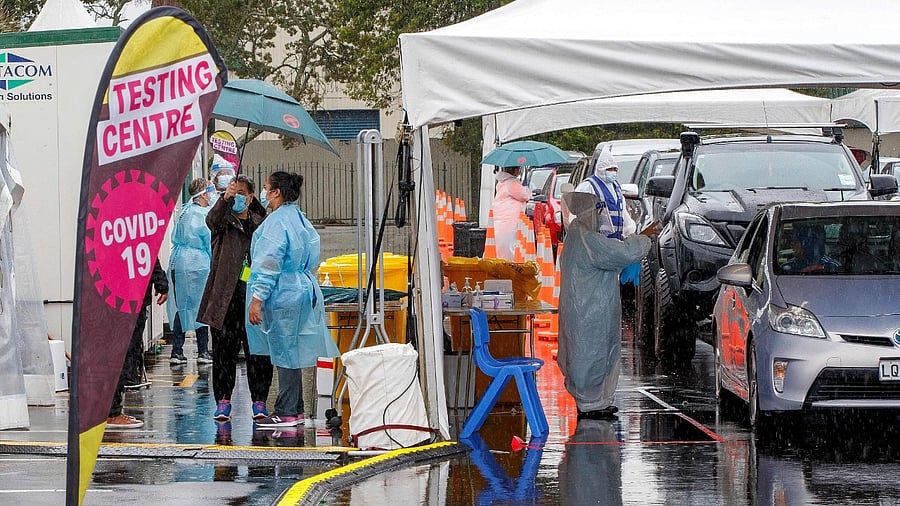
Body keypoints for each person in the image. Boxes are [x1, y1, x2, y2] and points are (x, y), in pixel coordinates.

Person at [247, 171, 340, 428]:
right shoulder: (299, 218)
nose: (265, 194)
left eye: (267, 188)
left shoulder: (277, 223)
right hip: (301, 289)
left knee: (285, 351)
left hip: (282, 294)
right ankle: (296, 408)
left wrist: (257, 299)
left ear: (276, 192)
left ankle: (286, 410)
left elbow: (268, 264)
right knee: (294, 350)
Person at [557, 191, 651, 420]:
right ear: (590, 212)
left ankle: (596, 402)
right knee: (591, 355)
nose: (601, 216)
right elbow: (621, 252)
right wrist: (644, 237)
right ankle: (590, 403)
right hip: (590, 311)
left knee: (590, 354)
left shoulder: (577, 236)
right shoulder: (587, 240)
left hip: (585, 309)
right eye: (598, 211)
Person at [197, 173, 273, 422]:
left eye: (241, 193)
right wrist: (224, 200)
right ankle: (223, 401)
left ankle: (259, 401)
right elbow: (211, 220)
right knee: (223, 353)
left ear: (250, 197)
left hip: (254, 298)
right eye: (233, 192)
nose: (237, 197)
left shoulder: (262, 223)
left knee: (258, 354)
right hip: (224, 298)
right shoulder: (223, 221)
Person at [107, 259, 168, 429]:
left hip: (113, 294)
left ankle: (111, 409)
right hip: (131, 295)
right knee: (124, 355)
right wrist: (161, 283)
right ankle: (112, 412)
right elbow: (148, 253)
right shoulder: (134, 234)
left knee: (115, 353)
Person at [166, 178, 216, 364]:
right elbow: (210, 242)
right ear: (203, 194)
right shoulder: (204, 215)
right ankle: (203, 351)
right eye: (209, 192)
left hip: (178, 263)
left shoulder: (184, 212)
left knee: (182, 307)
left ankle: (177, 351)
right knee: (200, 307)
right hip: (198, 265)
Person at [491, 165, 531, 260]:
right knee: (508, 245)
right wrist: (528, 189)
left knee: (499, 244)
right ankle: (507, 265)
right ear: (515, 170)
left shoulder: (502, 183)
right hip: (510, 220)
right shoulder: (512, 183)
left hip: (501, 219)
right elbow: (524, 195)